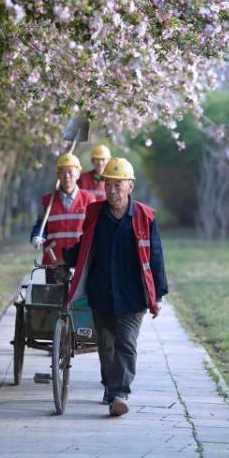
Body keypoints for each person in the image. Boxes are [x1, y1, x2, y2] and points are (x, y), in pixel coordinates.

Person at [62, 157, 168, 417]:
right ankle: (110, 388)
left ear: (130, 186)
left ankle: (120, 392)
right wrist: (64, 256)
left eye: (118, 185)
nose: (112, 191)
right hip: (101, 292)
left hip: (132, 295)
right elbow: (85, 245)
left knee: (126, 344)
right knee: (106, 345)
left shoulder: (145, 216)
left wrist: (159, 295)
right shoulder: (95, 213)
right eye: (108, 185)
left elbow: (156, 257)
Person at [30, 152, 96, 280]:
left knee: (78, 300)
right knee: (54, 298)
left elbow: (93, 231)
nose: (67, 176)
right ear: (58, 175)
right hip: (53, 261)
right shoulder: (47, 201)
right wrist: (36, 236)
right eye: (62, 172)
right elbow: (41, 225)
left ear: (78, 174)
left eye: (71, 172)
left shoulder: (89, 200)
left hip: (79, 261)